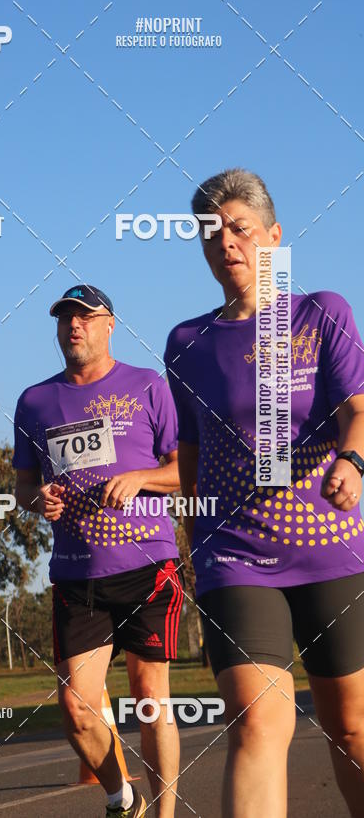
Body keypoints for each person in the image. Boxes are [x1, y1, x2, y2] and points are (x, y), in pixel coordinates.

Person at [164, 168, 364, 818]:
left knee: (352, 727)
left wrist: (353, 461)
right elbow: (188, 454)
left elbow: (359, 410)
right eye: (212, 235)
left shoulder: (321, 314)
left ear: (274, 237)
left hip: (331, 550)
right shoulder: (187, 344)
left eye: (241, 229)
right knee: (256, 724)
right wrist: (195, 539)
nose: (227, 244)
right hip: (236, 556)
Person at [14, 284, 184, 818]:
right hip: (76, 574)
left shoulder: (147, 386)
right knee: (76, 708)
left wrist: (141, 479)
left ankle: (165, 813)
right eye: (65, 318)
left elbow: (185, 470)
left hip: (148, 566)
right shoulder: (35, 401)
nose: (74, 326)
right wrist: (36, 499)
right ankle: (121, 796)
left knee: (150, 696)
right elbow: (22, 487)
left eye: (86, 317)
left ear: (110, 324)